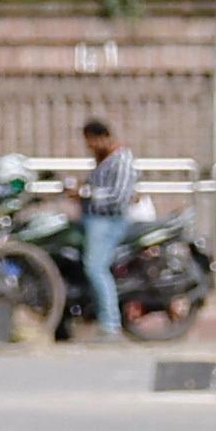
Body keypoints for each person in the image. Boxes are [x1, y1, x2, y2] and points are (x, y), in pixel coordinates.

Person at [73, 117, 135, 338]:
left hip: (108, 222)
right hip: (92, 220)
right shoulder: (103, 160)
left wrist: (87, 194)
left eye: (90, 141)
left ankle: (110, 325)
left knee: (96, 267)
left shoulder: (121, 160)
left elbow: (119, 197)